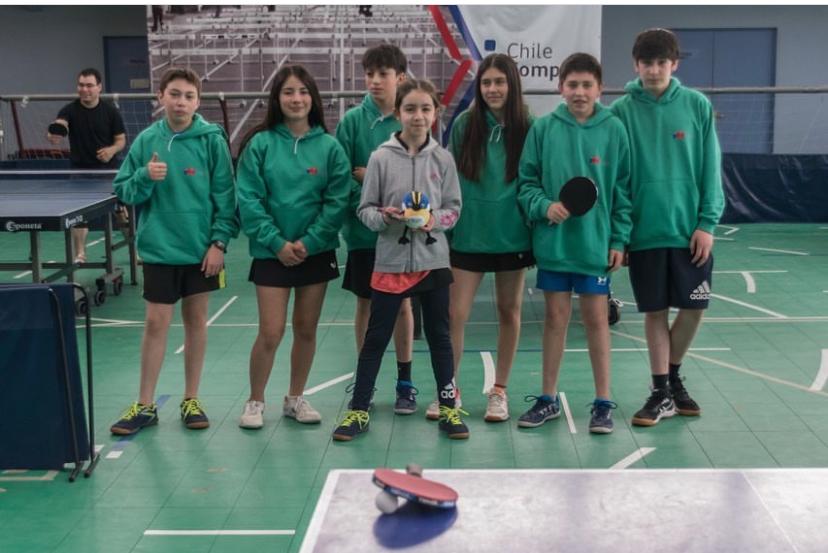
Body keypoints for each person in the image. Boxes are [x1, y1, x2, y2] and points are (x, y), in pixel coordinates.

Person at [332, 79, 466, 441]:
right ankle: (358, 410)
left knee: (440, 337)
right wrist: (386, 217)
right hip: (390, 262)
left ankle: (450, 408)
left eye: (425, 108)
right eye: (410, 109)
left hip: (433, 261)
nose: (418, 116)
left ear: (436, 113)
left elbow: (454, 209)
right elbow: (365, 210)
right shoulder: (379, 158)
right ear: (398, 113)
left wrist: (433, 220)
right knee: (376, 338)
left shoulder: (443, 160)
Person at [110, 68, 238, 435]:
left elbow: (224, 196)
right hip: (159, 250)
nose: (181, 102)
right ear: (161, 97)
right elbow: (125, 192)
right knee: (156, 323)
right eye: (174, 94)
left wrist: (219, 243)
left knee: (196, 322)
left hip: (200, 252)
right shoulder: (146, 140)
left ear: (197, 102)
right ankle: (145, 404)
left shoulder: (211, 139)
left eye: (188, 96)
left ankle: (191, 398)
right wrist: (143, 178)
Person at [610, 28, 724, 427]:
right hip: (645, 234)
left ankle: (672, 378)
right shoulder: (621, 112)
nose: (654, 69)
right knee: (654, 312)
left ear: (674, 64)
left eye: (662, 62)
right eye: (647, 62)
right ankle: (661, 391)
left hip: (690, 232)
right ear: (635, 65)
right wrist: (621, 235)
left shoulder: (696, 105)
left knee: (694, 309)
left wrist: (707, 222)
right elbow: (619, 181)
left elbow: (711, 167)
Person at [517, 53, 632, 434]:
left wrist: (618, 239)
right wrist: (544, 207)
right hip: (555, 245)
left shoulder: (614, 129)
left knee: (597, 320)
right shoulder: (544, 129)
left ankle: (603, 402)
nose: (580, 92)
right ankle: (547, 398)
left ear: (599, 88)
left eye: (587, 85)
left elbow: (622, 190)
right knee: (554, 319)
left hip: (595, 247)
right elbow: (526, 183)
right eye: (573, 84)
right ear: (560, 87)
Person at [236, 64, 350, 429]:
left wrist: (309, 242)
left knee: (305, 328)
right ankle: (255, 402)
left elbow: (338, 201)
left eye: (303, 91)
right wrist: (277, 242)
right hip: (272, 253)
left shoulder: (330, 148)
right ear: (277, 99)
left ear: (312, 98)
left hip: (314, 252)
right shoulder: (261, 144)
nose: (296, 98)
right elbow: (249, 201)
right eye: (288, 92)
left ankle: (295, 398)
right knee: (271, 331)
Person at [445, 53, 533, 423]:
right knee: (454, 314)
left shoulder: (529, 126)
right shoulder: (465, 125)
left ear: (512, 85)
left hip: (512, 236)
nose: (493, 89)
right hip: (469, 235)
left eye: (499, 82)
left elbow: (534, 178)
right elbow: (448, 178)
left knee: (509, 312)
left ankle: (500, 392)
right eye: (486, 83)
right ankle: (449, 390)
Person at [335, 44, 419, 415]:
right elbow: (341, 177)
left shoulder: (412, 119)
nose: (374, 81)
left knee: (402, 305)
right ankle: (364, 381)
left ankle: (405, 381)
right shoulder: (352, 122)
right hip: (363, 233)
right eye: (369, 73)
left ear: (400, 78)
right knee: (366, 305)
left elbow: (421, 175)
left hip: (402, 234)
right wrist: (372, 198)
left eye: (382, 74)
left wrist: (376, 182)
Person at [47, 67, 127, 263]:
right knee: (79, 215)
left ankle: (134, 252)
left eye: (89, 85)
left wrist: (111, 150)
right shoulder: (69, 110)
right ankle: (80, 254)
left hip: (108, 171)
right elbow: (60, 125)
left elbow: (121, 140)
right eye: (81, 85)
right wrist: (54, 135)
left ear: (99, 87)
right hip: (80, 171)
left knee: (121, 213)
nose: (85, 89)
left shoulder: (110, 111)